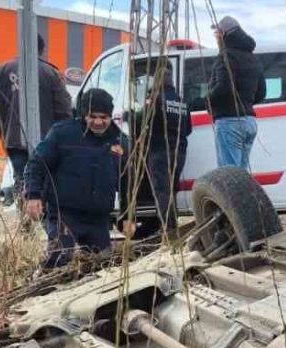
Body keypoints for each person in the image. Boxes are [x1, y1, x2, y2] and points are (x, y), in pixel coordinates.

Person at [23, 89, 129, 269]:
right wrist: (33, 195)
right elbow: (37, 163)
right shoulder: (62, 134)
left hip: (98, 218)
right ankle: (46, 289)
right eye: (92, 116)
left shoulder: (120, 141)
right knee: (60, 258)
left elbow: (128, 179)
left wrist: (127, 215)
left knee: (102, 266)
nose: (97, 122)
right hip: (64, 214)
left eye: (103, 117)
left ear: (111, 117)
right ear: (82, 115)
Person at [0, 34, 73, 202]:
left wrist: (4, 131)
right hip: (47, 140)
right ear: (41, 50)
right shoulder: (51, 74)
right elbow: (64, 109)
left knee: (22, 179)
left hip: (14, 139)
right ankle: (44, 219)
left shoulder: (0, 71)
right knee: (45, 180)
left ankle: (25, 219)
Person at [134, 61, 191, 240]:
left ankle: (169, 230)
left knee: (161, 190)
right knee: (171, 189)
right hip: (180, 151)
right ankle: (171, 226)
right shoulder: (181, 102)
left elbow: (143, 122)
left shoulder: (155, 98)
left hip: (159, 150)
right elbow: (188, 129)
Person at [208, 16, 265, 170]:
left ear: (224, 34)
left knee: (230, 175)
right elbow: (261, 92)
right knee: (241, 175)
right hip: (249, 122)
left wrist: (206, 100)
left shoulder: (226, 56)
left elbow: (223, 88)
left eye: (216, 34)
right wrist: (245, 102)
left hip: (229, 121)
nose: (216, 38)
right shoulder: (252, 58)